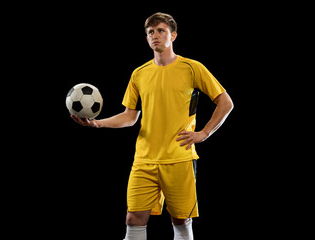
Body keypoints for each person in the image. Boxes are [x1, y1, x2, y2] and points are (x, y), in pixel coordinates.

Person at [71, 12, 233, 240]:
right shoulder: (139, 74)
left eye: (160, 30)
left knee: (180, 220)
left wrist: (205, 133)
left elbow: (225, 103)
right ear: (146, 38)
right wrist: (98, 123)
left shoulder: (192, 68)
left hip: (179, 158)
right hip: (144, 159)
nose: (155, 35)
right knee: (133, 219)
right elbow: (129, 116)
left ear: (173, 35)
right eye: (150, 32)